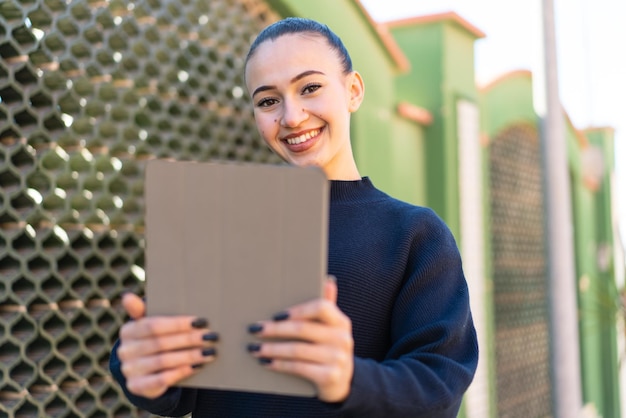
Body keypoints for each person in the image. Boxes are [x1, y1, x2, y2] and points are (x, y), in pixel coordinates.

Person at [110, 17, 478, 417]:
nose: (292, 116)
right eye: (268, 100)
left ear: (352, 90)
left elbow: (439, 388)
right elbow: (175, 388)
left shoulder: (414, 235)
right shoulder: (221, 226)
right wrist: (142, 365)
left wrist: (347, 380)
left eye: (310, 88)